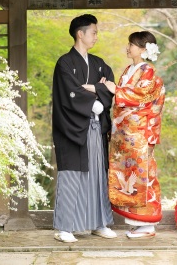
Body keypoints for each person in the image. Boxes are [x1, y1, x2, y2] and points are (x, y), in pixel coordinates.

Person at [51, 14, 117, 243]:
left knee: (98, 175)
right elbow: (68, 92)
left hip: (96, 128)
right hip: (72, 129)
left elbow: (111, 85)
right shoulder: (65, 63)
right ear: (81, 33)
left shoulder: (99, 63)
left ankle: (99, 223)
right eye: (94, 32)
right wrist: (95, 97)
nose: (96, 36)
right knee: (72, 176)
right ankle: (65, 228)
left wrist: (95, 90)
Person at [106, 31, 166, 238]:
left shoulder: (147, 70)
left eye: (131, 44)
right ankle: (138, 222)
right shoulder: (130, 69)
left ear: (142, 49)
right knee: (129, 177)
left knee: (143, 177)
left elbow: (143, 97)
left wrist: (116, 90)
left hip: (139, 132)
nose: (128, 47)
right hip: (125, 133)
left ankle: (147, 224)